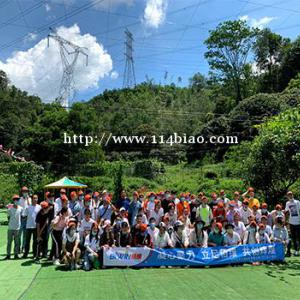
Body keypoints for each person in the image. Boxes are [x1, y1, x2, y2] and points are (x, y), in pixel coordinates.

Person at [5, 195, 23, 260]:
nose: (16, 201)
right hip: (10, 228)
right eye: (15, 199)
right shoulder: (9, 209)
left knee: (17, 242)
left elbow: (21, 216)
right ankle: (8, 255)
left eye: (17, 199)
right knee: (9, 242)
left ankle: (16, 254)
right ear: (13, 200)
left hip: (17, 228)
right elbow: (8, 217)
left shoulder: (21, 208)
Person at [23, 194, 41, 259]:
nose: (35, 199)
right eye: (34, 198)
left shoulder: (39, 207)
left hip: (36, 227)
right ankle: (25, 254)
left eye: (36, 198)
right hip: (28, 227)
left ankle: (34, 254)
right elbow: (24, 216)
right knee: (27, 241)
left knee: (35, 242)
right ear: (32, 199)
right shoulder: (28, 207)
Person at [285, 191, 300, 256]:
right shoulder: (287, 203)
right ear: (287, 196)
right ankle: (296, 250)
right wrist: (286, 221)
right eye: (288, 195)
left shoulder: (297, 202)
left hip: (298, 222)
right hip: (291, 222)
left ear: (292, 195)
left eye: (290, 194)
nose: (290, 196)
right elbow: (287, 211)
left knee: (299, 237)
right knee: (293, 237)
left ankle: (298, 250)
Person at [18, 186, 31, 253]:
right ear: (22, 192)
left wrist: (28, 199)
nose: (25, 192)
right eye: (24, 191)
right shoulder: (19, 199)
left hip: (26, 218)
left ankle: (23, 248)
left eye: (26, 191)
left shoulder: (30, 199)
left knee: (25, 235)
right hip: (20, 219)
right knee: (19, 234)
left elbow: (30, 207)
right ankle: (18, 248)